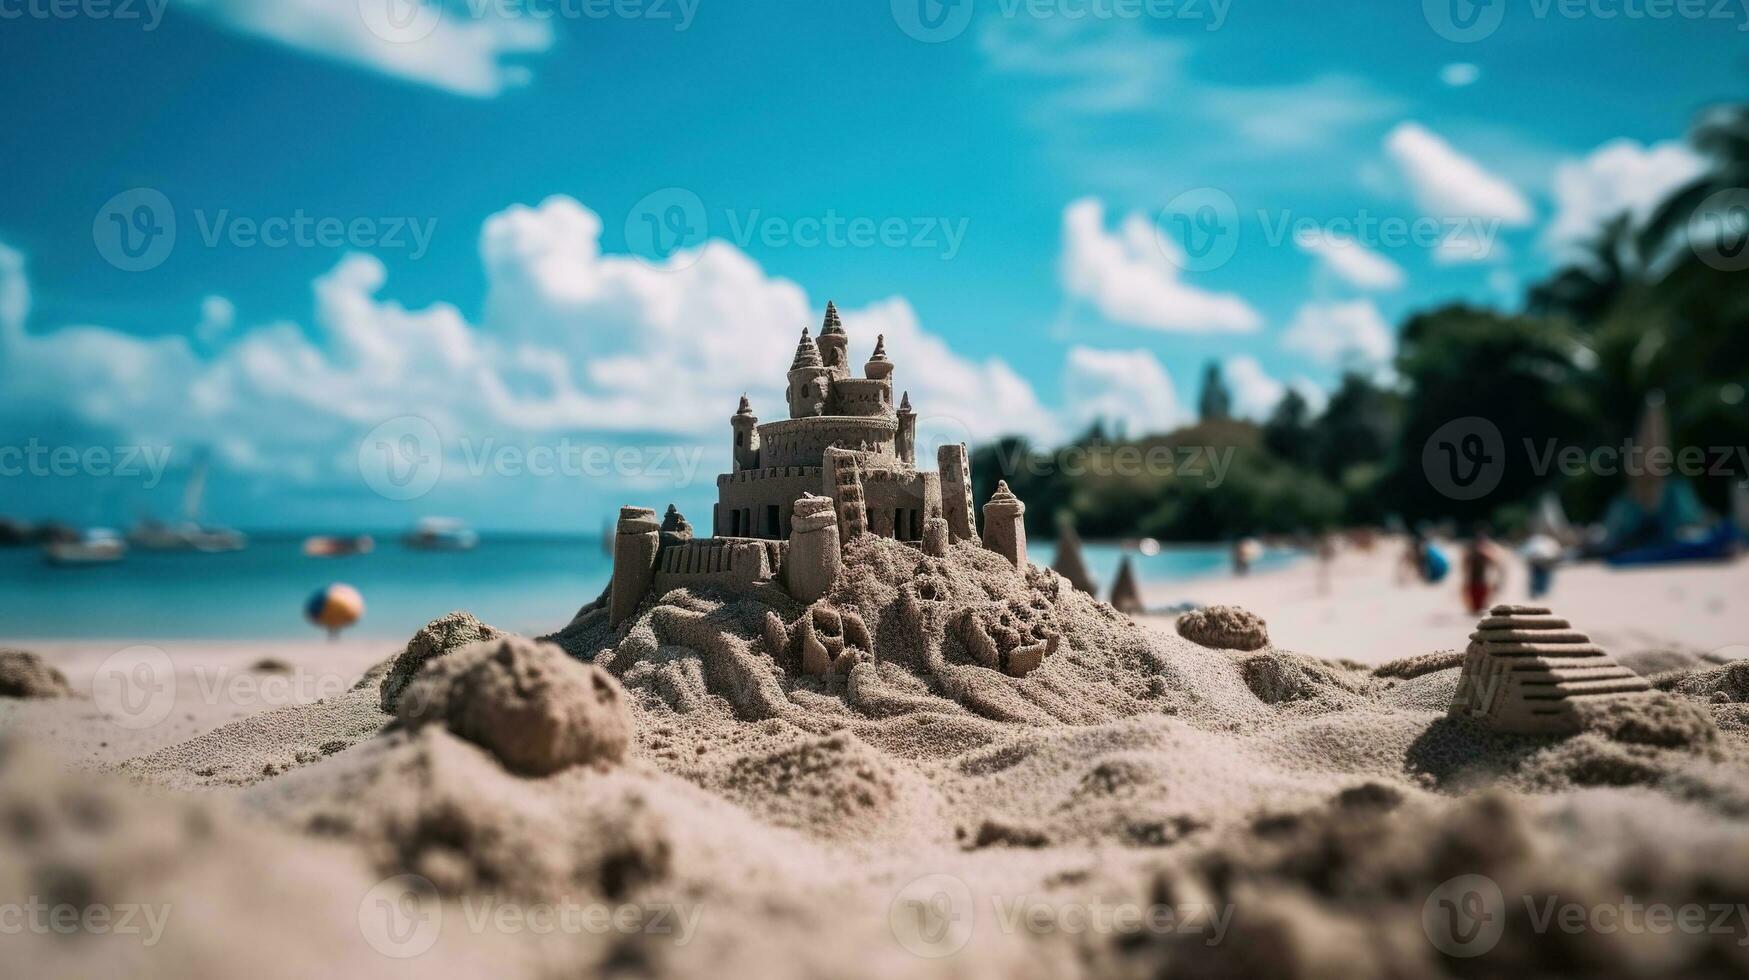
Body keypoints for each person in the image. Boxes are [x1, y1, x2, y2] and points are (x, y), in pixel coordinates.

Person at [1460, 527, 1508, 615]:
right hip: (1474, 582)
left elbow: (1498, 565)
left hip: (1483, 582)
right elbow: (1464, 566)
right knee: (1475, 609)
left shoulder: (1486, 552)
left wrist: (1498, 580)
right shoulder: (1472, 552)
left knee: (1481, 609)